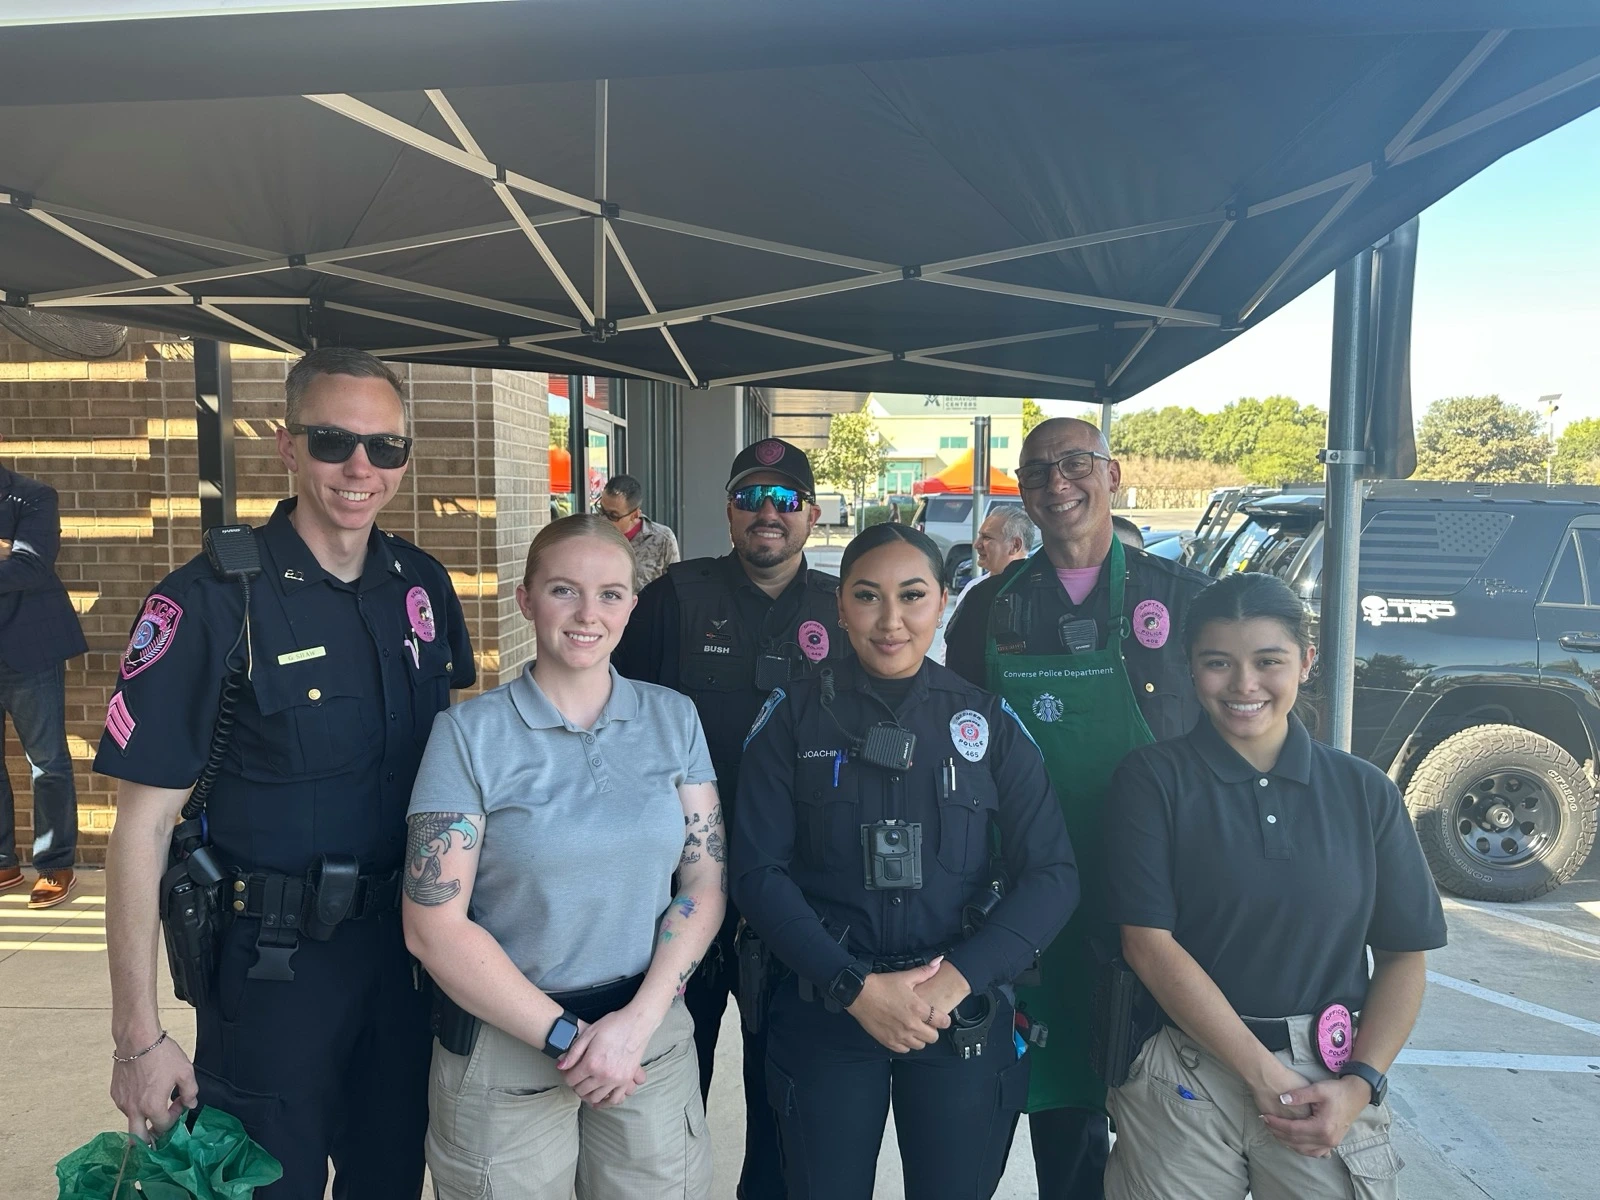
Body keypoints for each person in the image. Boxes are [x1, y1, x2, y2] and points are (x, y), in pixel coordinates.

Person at [98, 348, 474, 1200]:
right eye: (334, 439)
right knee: (272, 1186)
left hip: (407, 956)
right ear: (287, 447)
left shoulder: (422, 585)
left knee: (390, 1176)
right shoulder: (208, 601)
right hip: (273, 972)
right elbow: (141, 830)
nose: (360, 468)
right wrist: (138, 1036)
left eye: (386, 448)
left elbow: (453, 776)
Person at [733, 523, 1077, 1199]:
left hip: (956, 1016)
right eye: (867, 597)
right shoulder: (792, 719)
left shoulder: (988, 722)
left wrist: (957, 980)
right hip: (827, 1011)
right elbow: (756, 873)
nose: (891, 621)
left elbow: (1054, 875)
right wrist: (853, 987)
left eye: (912, 596)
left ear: (943, 601)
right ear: (839, 607)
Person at [403, 515, 722, 1199]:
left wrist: (634, 1025)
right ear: (525, 599)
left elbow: (703, 879)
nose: (587, 614)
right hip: (506, 1054)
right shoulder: (469, 736)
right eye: (562, 591)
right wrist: (567, 1039)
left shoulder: (675, 719)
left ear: (633, 605)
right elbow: (432, 923)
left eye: (610, 594)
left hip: (647, 1046)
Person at [1102, 572, 1447, 1199]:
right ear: (1189, 665)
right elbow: (1147, 943)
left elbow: (1404, 955)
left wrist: (1360, 1083)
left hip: (1329, 1077)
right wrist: (1264, 1076)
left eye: (1269, 661)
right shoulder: (1153, 781)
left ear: (1306, 661)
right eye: (1217, 663)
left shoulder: (1365, 791)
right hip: (1185, 1070)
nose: (1244, 685)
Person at [942, 417, 1208, 1199]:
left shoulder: (1182, 602)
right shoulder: (990, 610)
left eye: (1075, 464)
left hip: (1159, 899)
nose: (1058, 483)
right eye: (1037, 472)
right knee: (1048, 1107)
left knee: (1161, 1116)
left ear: (1113, 474)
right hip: (1029, 899)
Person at [613, 436, 847, 1200]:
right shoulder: (676, 597)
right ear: (728, 511)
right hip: (680, 898)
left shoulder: (845, 607)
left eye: (785, 500)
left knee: (787, 1100)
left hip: (802, 897)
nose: (767, 513)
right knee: (665, 1097)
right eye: (751, 496)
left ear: (811, 514)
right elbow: (615, 718)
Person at [0, 463, 88, 908]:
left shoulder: (32, 495)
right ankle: (3, 862)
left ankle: (55, 864)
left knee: (48, 762)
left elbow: (30, 566)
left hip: (29, 651)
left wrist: (13, 556)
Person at [597, 473, 680, 588]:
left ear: (635, 515)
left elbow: (675, 586)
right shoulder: (589, 533)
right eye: (601, 510)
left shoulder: (662, 539)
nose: (603, 519)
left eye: (613, 515)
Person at [953, 506, 1035, 610]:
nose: (976, 545)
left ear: (1015, 545)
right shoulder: (973, 588)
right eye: (980, 537)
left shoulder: (1037, 592)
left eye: (987, 537)